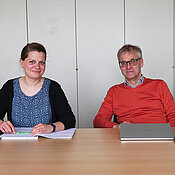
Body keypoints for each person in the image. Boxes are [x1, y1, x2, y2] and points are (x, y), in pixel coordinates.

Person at [0, 42, 76, 135]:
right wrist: (1, 123)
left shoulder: (53, 87)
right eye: (32, 62)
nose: (37, 67)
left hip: (47, 144)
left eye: (41, 62)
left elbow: (69, 120)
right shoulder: (9, 87)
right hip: (16, 144)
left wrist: (51, 127)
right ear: (22, 62)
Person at [93, 44, 175, 128]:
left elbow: (173, 115)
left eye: (132, 61)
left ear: (141, 62)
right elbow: (98, 120)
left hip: (160, 136)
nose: (128, 67)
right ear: (120, 66)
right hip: (129, 137)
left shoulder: (159, 85)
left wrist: (169, 134)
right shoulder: (114, 91)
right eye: (123, 63)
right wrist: (117, 127)